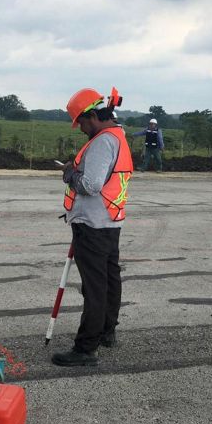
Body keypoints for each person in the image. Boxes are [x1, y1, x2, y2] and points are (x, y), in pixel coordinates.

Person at [53, 87, 133, 367]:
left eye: (82, 123)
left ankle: (86, 347)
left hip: (94, 226)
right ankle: (107, 331)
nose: (81, 129)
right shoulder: (119, 136)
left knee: (95, 287)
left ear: (92, 116)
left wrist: (70, 174)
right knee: (110, 281)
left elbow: (90, 185)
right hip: (110, 221)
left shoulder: (102, 142)